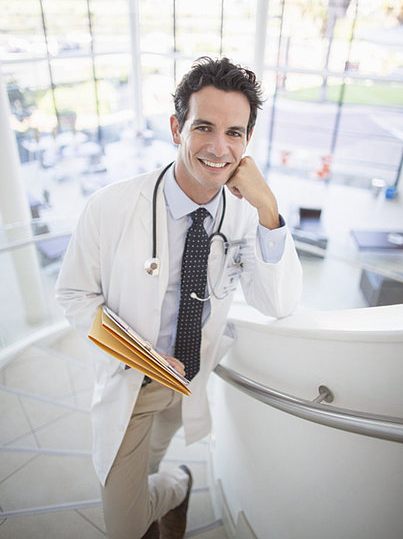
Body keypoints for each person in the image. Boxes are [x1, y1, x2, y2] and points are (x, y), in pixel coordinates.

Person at [55, 56, 302, 539]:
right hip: (133, 382)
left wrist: (269, 208)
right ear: (176, 127)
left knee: (148, 468)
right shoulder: (110, 207)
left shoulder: (246, 215)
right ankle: (179, 485)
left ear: (248, 141)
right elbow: (74, 293)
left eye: (235, 132)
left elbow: (277, 303)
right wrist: (141, 355)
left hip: (187, 381)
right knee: (124, 525)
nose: (218, 146)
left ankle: (165, 484)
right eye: (204, 127)